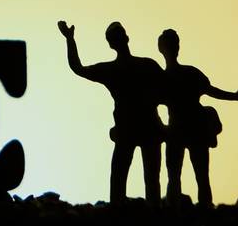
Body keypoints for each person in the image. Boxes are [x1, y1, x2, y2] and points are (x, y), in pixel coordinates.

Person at [59, 19, 164, 202]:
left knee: (136, 177)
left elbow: (168, 91)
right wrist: (69, 39)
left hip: (143, 130)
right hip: (133, 130)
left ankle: (137, 215)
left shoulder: (136, 66)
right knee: (129, 177)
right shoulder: (142, 66)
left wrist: (69, 39)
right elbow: (78, 68)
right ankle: (130, 215)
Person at [157, 28, 238, 209]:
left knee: (189, 175)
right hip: (182, 130)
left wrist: (235, 96)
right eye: (172, 45)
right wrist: (235, 96)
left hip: (186, 130)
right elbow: (212, 91)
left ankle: (192, 211)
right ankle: (185, 212)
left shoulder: (169, 76)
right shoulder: (174, 76)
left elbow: (212, 91)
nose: (173, 48)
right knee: (183, 176)